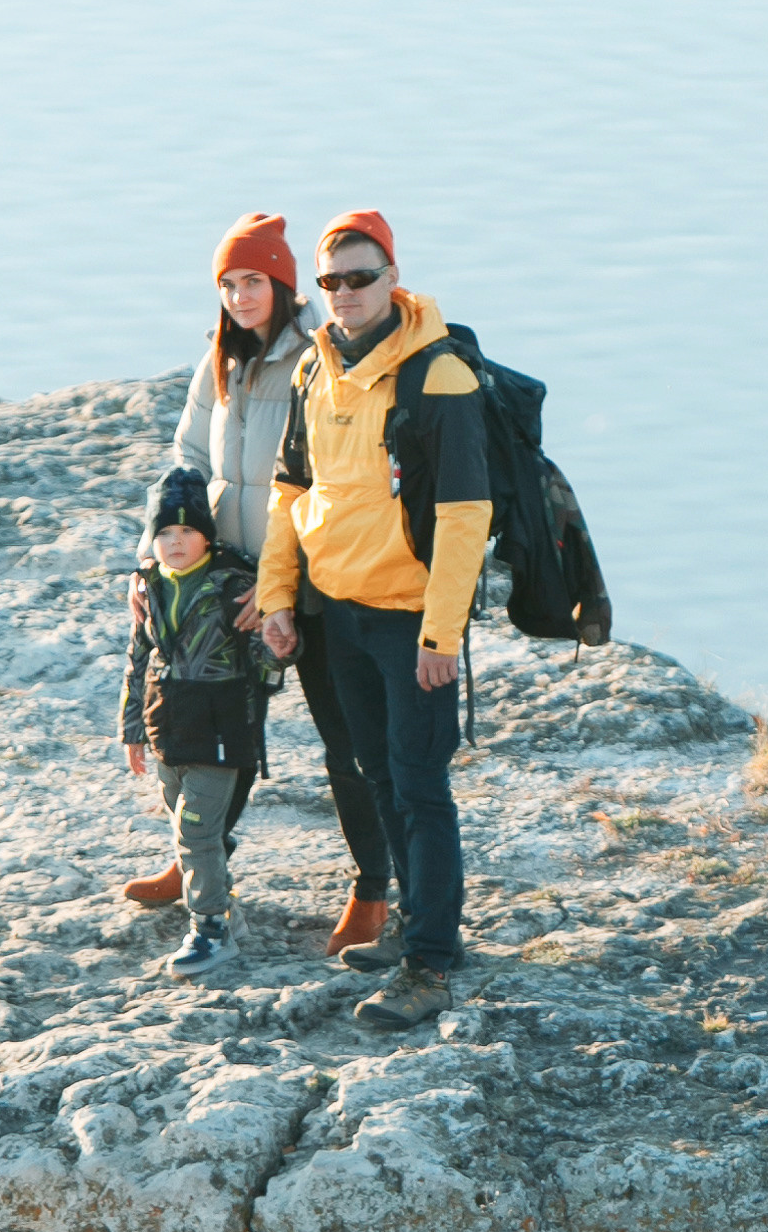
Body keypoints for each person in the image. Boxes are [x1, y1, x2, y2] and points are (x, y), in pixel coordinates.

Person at [127, 213, 390, 957]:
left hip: (310, 584)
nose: (239, 297)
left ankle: (373, 890)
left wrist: (277, 585)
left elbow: (328, 481)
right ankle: (196, 861)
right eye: (227, 284)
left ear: (282, 283)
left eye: (253, 281)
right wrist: (154, 561)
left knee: (347, 743)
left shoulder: (316, 357)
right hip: (223, 582)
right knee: (216, 731)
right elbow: (183, 464)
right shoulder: (217, 362)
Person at [257, 213, 491, 1032]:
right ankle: (410, 928)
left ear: (392, 276)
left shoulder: (439, 376)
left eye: (360, 278)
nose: (346, 295)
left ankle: (429, 964)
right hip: (336, 612)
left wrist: (440, 634)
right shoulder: (315, 369)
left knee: (421, 787)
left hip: (406, 618)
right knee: (377, 774)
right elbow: (292, 490)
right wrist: (279, 597)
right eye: (331, 283)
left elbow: (465, 514)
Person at [118, 464, 275, 980]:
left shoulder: (235, 586)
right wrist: (133, 731)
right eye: (164, 532)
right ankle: (227, 909)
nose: (176, 542)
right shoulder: (149, 588)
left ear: (207, 535)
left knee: (196, 833)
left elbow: (270, 660)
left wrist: (280, 638)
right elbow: (138, 659)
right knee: (185, 827)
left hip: (221, 731)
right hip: (169, 730)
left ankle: (210, 929)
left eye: (187, 531)